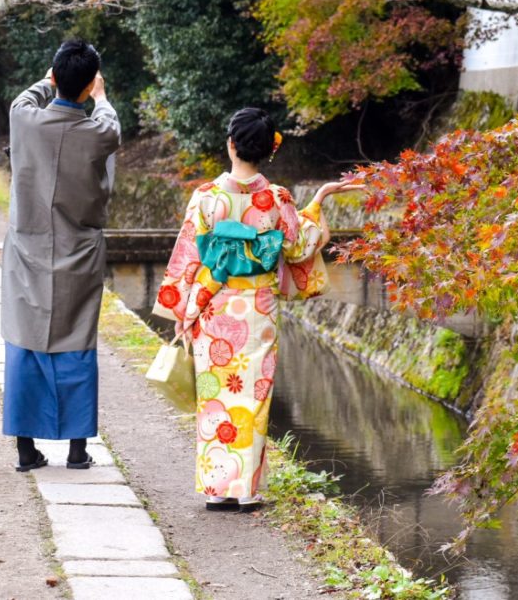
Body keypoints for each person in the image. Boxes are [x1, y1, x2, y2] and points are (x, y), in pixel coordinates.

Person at [153, 107, 362, 511]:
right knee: (253, 397)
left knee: (214, 398)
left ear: (231, 144)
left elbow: (187, 259)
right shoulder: (277, 198)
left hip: (214, 309)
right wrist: (318, 202)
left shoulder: (206, 199)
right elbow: (301, 247)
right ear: (267, 151)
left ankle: (217, 489)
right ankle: (246, 490)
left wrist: (183, 310)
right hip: (258, 310)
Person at [0, 40, 121, 471]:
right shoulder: (99, 132)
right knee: (76, 345)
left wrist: (51, 78)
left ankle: (25, 449)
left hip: (27, 249)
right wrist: (100, 96)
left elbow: (26, 97)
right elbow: (109, 119)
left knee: (25, 343)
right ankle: (75, 449)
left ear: (52, 78)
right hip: (79, 250)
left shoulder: (24, 119)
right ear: (90, 84)